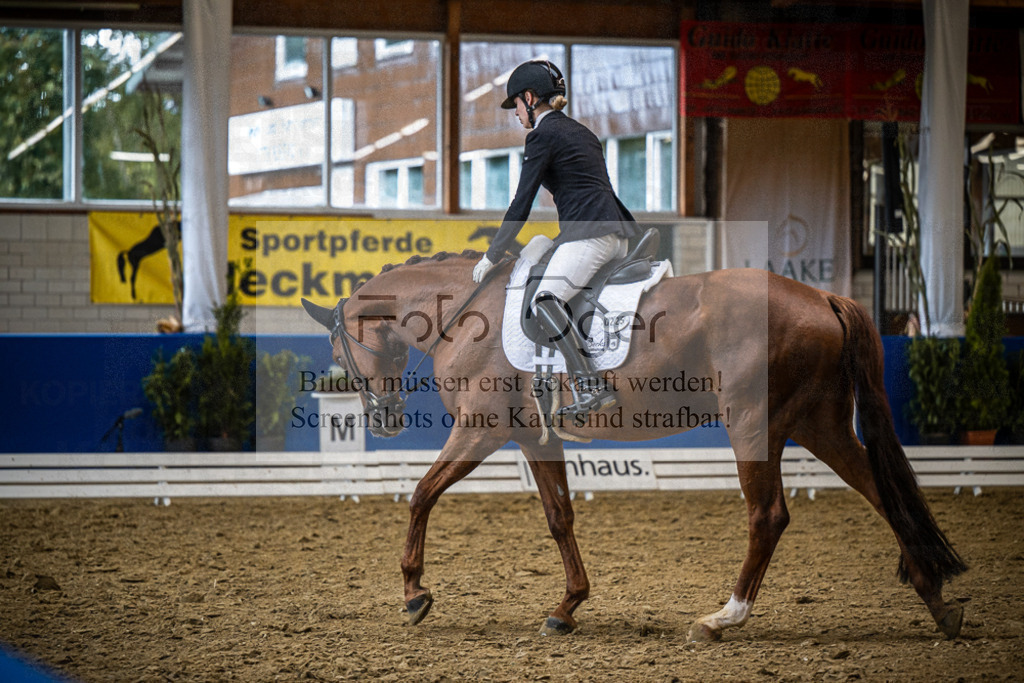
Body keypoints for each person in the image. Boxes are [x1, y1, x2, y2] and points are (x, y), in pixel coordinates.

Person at [472, 59, 642, 418]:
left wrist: (492, 253)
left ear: (530, 99)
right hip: (617, 234)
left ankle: (588, 385)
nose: (516, 114)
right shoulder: (582, 132)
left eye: (516, 105)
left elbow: (521, 202)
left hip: (591, 237)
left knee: (545, 300)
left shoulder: (542, 136)